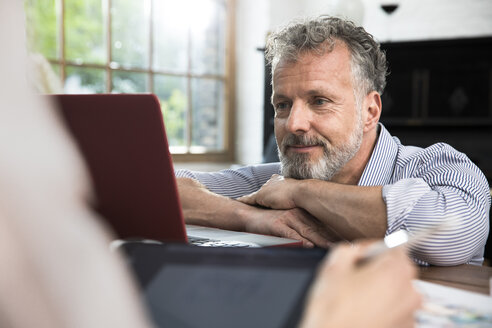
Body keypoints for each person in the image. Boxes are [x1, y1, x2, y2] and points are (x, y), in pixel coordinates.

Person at [176, 16, 491, 266]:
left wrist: (301, 192)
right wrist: (247, 217)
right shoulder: (270, 183)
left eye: (320, 101)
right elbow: (153, 190)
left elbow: (454, 234)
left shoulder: (439, 166)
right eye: (282, 105)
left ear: (370, 111)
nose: (294, 124)